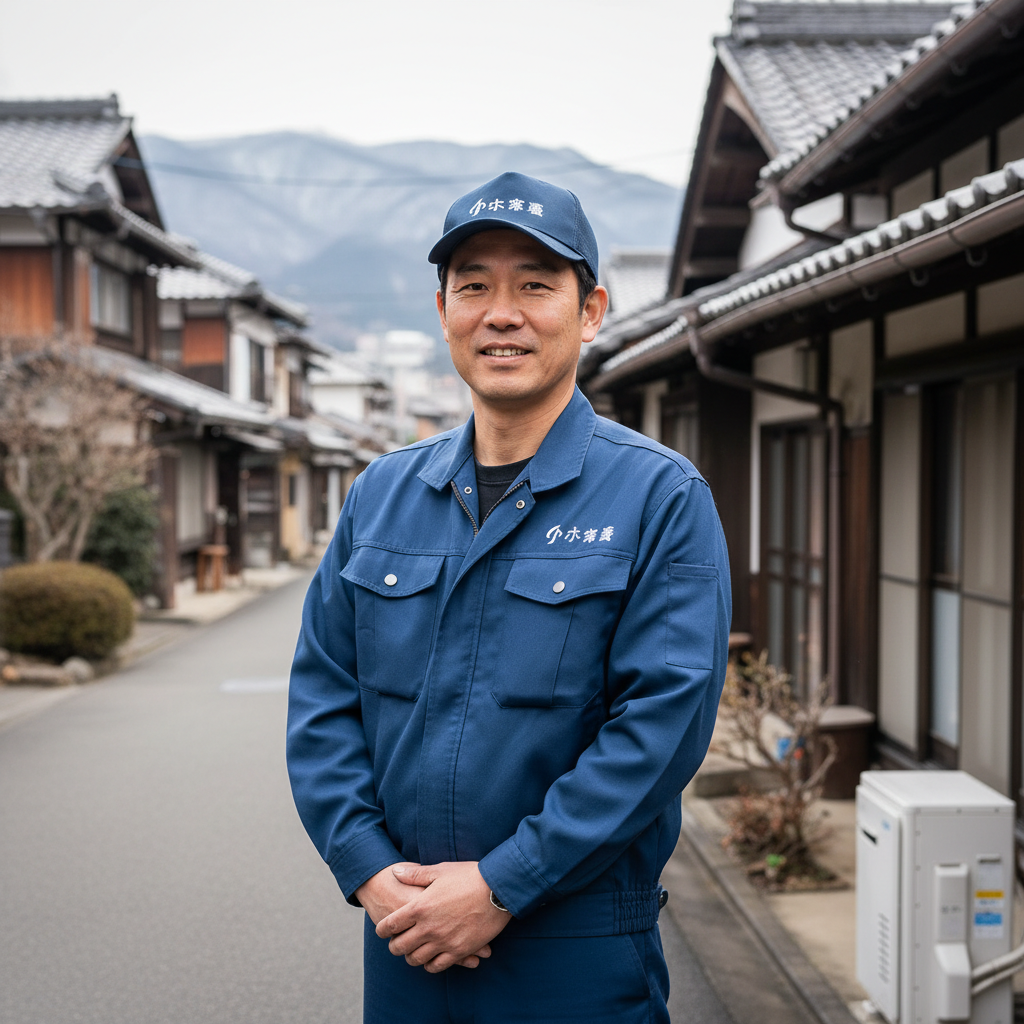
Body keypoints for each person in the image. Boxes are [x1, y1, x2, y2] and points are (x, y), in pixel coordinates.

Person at [287, 171, 731, 1023]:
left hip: (577, 943)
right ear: (444, 309)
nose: (502, 313)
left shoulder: (658, 496)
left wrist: (502, 883)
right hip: (406, 931)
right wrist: (367, 868)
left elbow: (661, 728)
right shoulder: (380, 494)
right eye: (474, 287)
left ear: (590, 309)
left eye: (535, 285)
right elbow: (322, 698)